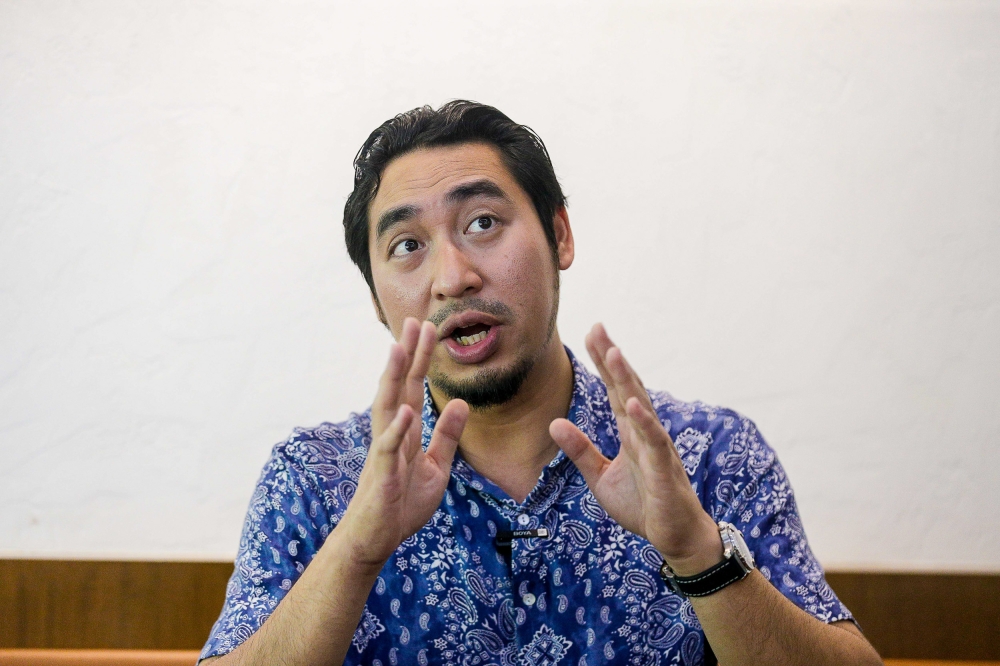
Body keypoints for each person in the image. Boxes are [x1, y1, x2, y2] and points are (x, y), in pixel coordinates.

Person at [199, 101, 882, 666]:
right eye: (407, 245)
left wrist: (698, 554)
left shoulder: (707, 454)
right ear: (377, 299)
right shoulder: (315, 480)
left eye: (483, 224)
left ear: (560, 234)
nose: (452, 276)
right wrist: (357, 545)